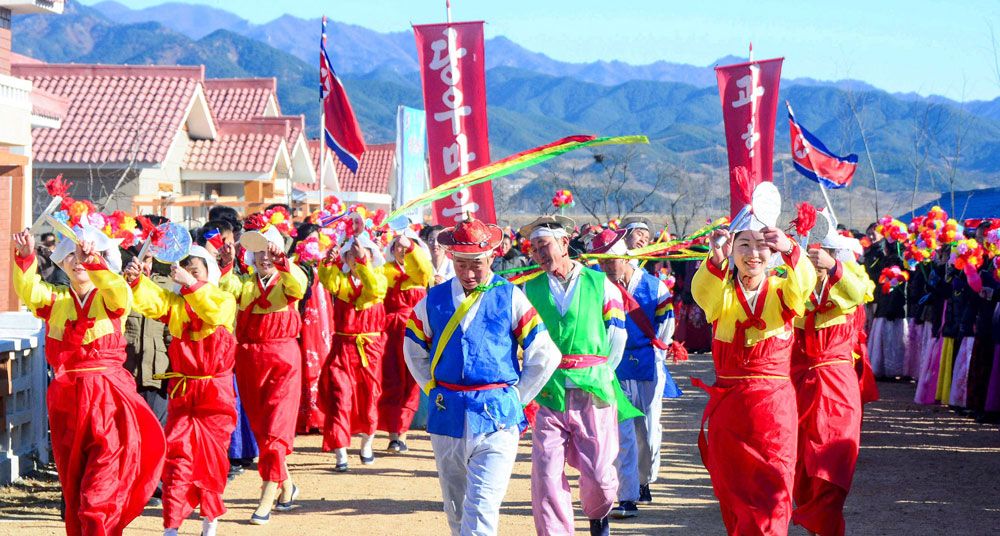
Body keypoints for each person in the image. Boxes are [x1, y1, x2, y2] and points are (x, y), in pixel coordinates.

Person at [403, 217, 560, 536]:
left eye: (476, 264)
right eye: (461, 264)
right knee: (456, 508)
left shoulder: (511, 297)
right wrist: (432, 388)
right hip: (448, 415)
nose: (469, 272)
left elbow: (544, 353)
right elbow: (413, 346)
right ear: (451, 259)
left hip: (497, 416)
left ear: (491, 257)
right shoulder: (433, 299)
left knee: (483, 506)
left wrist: (517, 396)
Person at [12, 225, 166, 535]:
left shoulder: (112, 296)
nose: (79, 259)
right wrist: (26, 257)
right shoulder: (56, 302)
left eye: (88, 254)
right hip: (67, 402)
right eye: (72, 254)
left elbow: (120, 291)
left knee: (98, 495)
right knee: (75, 484)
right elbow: (29, 291)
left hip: (108, 399)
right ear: (62, 262)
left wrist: (94, 261)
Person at [692, 217, 816, 536]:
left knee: (774, 492)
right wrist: (716, 256)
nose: (753, 254)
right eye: (744, 244)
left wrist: (790, 248)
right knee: (733, 492)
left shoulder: (782, 291)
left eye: (761, 245)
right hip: (730, 411)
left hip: (774, 411)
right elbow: (703, 292)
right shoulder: (721, 295)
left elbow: (803, 284)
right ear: (733, 250)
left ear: (772, 251)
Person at [520, 215, 640, 536]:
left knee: (600, 476)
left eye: (544, 246)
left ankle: (598, 517)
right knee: (545, 475)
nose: (539, 254)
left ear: (563, 243)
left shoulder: (602, 285)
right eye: (534, 249)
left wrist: (598, 372)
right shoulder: (528, 290)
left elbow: (617, 336)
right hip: (548, 393)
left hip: (594, 390)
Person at [124, 246, 237, 536]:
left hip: (215, 394)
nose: (188, 276)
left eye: (196, 271)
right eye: (186, 272)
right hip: (183, 390)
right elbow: (153, 301)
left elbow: (212, 311)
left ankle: (210, 518)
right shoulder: (176, 306)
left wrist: (192, 283)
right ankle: (172, 524)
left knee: (211, 460)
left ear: (208, 274)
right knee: (177, 458)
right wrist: (137, 281)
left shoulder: (223, 300)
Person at [586, 228, 680, 519]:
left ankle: (644, 478)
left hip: (647, 362)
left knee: (648, 431)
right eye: (600, 263)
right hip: (612, 366)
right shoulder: (598, 287)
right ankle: (627, 495)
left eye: (609, 262)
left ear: (624, 258)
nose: (605, 268)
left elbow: (666, 325)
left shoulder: (655, 287)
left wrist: (655, 356)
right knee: (622, 432)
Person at [220, 221, 307, 524]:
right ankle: (288, 485)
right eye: (259, 251)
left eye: (269, 251)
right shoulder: (245, 283)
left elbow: (297, 285)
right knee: (261, 430)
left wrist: (283, 260)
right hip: (249, 363)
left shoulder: (288, 279)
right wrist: (226, 262)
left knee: (274, 431)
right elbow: (226, 288)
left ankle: (266, 497)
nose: (264, 257)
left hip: (282, 361)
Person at [790, 233, 870, 536]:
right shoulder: (797, 296)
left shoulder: (848, 296)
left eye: (822, 258)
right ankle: (813, 522)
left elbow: (856, 291)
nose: (817, 264)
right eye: (812, 260)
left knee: (833, 458)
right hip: (800, 386)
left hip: (837, 387)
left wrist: (835, 267)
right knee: (802, 461)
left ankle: (826, 523)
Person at [317, 226, 388, 470]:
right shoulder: (341, 281)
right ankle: (341, 452)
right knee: (340, 398)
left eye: (361, 254)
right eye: (351, 255)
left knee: (370, 399)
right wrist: (329, 256)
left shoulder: (378, 278)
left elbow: (374, 290)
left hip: (370, 350)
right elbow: (328, 279)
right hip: (343, 348)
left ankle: (367, 443)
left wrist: (363, 261)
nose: (356, 259)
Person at [378, 228, 433, 452]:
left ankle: (402, 433)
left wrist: (410, 248)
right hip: (389, 332)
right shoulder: (384, 271)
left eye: (406, 246)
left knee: (412, 381)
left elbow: (423, 269)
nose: (401, 250)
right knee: (391, 381)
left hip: (414, 332)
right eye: (398, 246)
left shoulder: (420, 273)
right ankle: (392, 434)